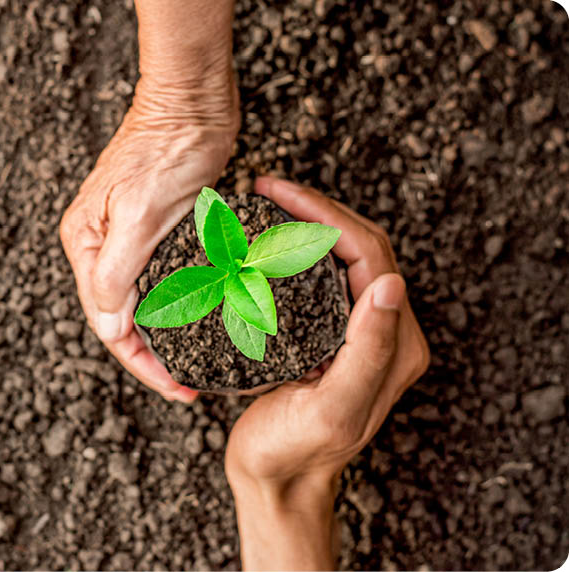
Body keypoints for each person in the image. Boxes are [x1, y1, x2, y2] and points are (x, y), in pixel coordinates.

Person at [58, 0, 430, 568]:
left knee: (257, 314)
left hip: (240, 268)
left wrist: (179, 98)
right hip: (237, 272)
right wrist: (274, 489)